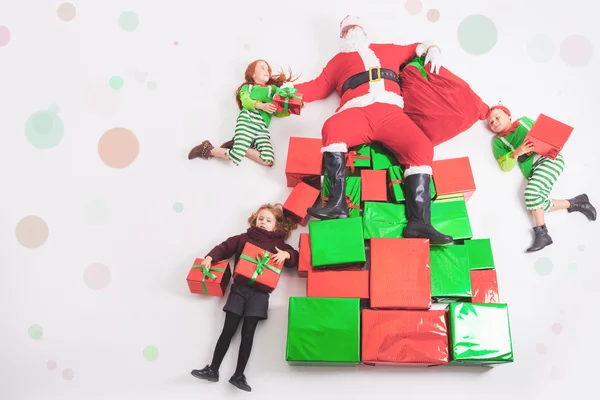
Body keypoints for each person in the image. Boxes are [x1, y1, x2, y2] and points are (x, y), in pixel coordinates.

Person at [286, 15, 453, 244]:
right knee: (333, 127)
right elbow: (317, 86)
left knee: (421, 147)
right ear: (342, 36)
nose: (351, 32)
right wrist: (288, 93)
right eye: (347, 29)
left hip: (391, 113)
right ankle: (337, 203)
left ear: (364, 31)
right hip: (357, 112)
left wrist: (433, 48)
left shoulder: (388, 49)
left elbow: (419, 46)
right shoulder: (337, 61)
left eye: (355, 27)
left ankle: (420, 222)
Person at [191, 203, 299, 391]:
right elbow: (224, 247)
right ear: (255, 220)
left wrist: (287, 255)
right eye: (261, 218)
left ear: (276, 225)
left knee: (248, 334)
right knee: (228, 330)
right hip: (239, 290)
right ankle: (213, 370)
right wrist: (209, 258)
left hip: (260, 295)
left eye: (268, 220)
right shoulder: (243, 238)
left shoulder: (279, 245)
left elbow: (295, 257)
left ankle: (239, 375)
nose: (263, 222)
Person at [487, 105, 597, 252]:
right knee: (536, 201)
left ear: (508, 115)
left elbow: (546, 134)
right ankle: (576, 203)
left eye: (497, 117)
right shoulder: (498, 142)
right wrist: (517, 153)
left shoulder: (524, 121)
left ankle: (542, 234)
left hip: (550, 160)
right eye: (491, 122)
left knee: (531, 194)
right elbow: (505, 167)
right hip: (534, 169)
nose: (494, 122)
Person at [188, 60, 297, 167]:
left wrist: (294, 106)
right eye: (262, 68)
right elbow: (245, 101)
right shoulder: (247, 87)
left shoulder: (273, 90)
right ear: (253, 74)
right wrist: (261, 106)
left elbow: (279, 111)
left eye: (268, 69)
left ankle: (237, 144)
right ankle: (207, 149)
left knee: (268, 159)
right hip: (248, 120)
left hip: (262, 127)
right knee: (236, 155)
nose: (266, 71)